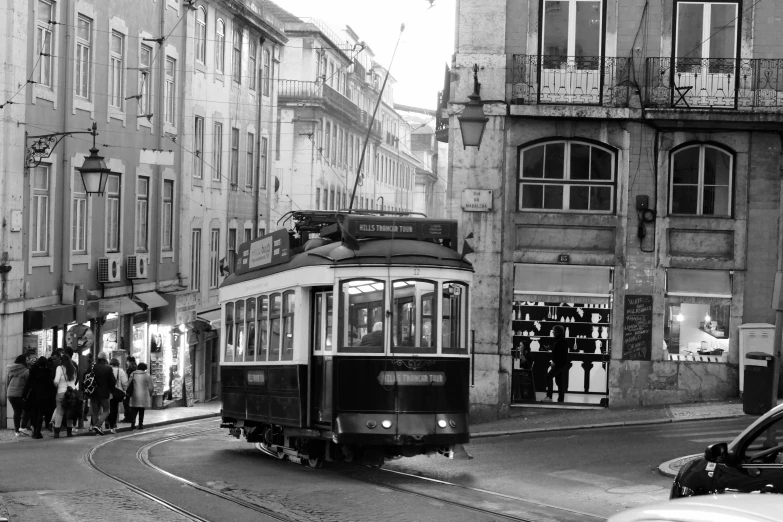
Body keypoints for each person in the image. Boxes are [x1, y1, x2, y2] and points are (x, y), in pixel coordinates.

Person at [22, 357, 54, 439]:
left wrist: (24, 394)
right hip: (44, 395)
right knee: (40, 414)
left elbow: (28, 383)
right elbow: (50, 385)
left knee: (34, 413)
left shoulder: (33, 370)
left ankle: (34, 431)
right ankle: (37, 432)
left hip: (34, 395)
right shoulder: (48, 371)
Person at [89, 351, 116, 435]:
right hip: (104, 393)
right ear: (105, 359)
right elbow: (113, 381)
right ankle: (98, 425)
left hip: (93, 392)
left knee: (95, 412)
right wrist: (111, 389)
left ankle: (96, 429)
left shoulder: (93, 367)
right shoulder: (108, 368)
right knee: (107, 410)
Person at [52, 354, 78, 438]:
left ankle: (56, 433)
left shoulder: (59, 368)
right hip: (72, 393)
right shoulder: (73, 368)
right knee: (70, 412)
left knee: (59, 412)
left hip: (61, 392)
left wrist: (57, 385)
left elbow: (56, 381)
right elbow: (75, 381)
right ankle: (69, 433)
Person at [6, 354, 31, 437]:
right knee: (28, 409)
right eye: (27, 360)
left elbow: (7, 382)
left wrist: (8, 391)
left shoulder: (11, 370)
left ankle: (17, 431)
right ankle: (22, 427)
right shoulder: (26, 371)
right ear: (23, 361)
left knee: (17, 411)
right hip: (19, 393)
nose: (28, 361)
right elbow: (29, 384)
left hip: (10, 393)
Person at [544, 325, 570, 403]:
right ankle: (560, 399)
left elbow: (560, 354)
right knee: (559, 381)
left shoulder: (561, 341)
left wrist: (555, 362)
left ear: (558, 332)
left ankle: (549, 396)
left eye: (554, 331)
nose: (553, 333)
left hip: (559, 364)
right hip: (560, 363)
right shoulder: (560, 340)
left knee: (549, 376)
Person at [128, 362, 153, 430]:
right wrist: (150, 393)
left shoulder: (133, 374)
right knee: (141, 410)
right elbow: (151, 387)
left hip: (134, 394)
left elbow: (128, 384)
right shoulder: (147, 375)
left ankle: (132, 423)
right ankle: (140, 424)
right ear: (145, 368)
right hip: (144, 395)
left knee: (134, 410)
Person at [106, 358, 128, 434]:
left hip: (107, 392)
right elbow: (125, 382)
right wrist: (125, 390)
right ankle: (113, 424)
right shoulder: (120, 371)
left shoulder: (107, 369)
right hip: (116, 392)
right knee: (114, 408)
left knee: (107, 407)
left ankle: (107, 421)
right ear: (118, 364)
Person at [121, 356, 137, 423]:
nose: (126, 362)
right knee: (133, 404)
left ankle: (127, 418)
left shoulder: (129, 370)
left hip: (129, 389)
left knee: (126, 403)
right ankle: (132, 418)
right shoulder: (137, 368)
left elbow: (127, 380)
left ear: (129, 361)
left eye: (127, 361)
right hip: (136, 388)